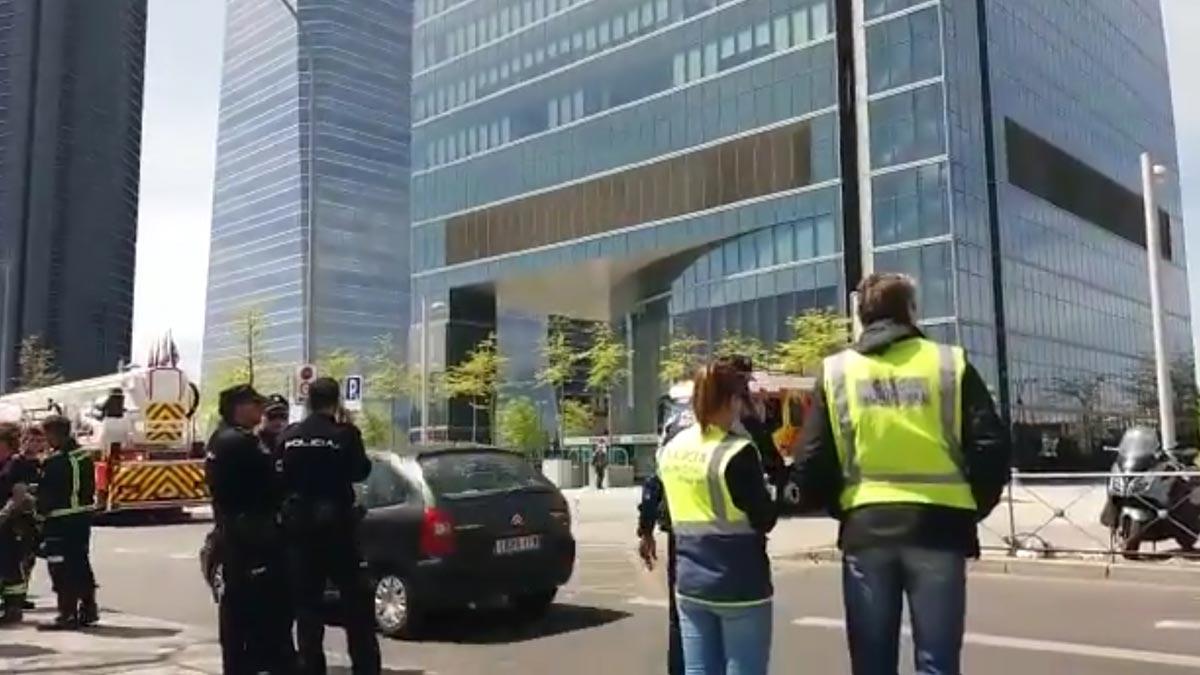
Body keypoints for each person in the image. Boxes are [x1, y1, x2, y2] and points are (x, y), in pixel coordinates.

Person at [792, 272, 1011, 675]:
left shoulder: (837, 371)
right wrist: (971, 508)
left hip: (867, 528)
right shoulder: (949, 363)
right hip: (940, 528)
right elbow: (991, 446)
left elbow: (811, 459)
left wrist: (840, 508)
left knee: (872, 663)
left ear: (861, 316)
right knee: (938, 662)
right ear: (911, 311)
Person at [657, 360, 777, 675]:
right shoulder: (737, 451)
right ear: (731, 401)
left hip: (690, 581)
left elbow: (667, 508)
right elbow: (765, 517)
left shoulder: (673, 447)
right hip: (739, 583)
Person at [279, 377, 379, 675]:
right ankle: (364, 667)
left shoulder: (290, 436)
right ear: (336, 401)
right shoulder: (344, 434)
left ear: (308, 400)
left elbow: (279, 478)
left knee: (307, 608)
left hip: (300, 533)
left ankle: (311, 667)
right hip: (338, 531)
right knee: (356, 607)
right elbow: (361, 471)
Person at [205, 384, 295, 674]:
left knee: (236, 612)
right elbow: (274, 483)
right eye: (256, 405)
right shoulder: (241, 443)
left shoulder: (221, 439)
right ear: (240, 408)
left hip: (234, 535)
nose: (261, 411)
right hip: (253, 539)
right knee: (261, 610)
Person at [36, 416, 98, 630]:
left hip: (60, 521)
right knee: (80, 563)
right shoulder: (84, 457)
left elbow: (47, 496)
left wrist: (38, 515)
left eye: (47, 436)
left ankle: (66, 613)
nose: (46, 441)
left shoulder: (55, 462)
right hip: (82, 519)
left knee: (60, 567)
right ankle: (89, 608)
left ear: (54, 434)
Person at [0, 423, 37, 623]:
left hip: (11, 523)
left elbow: (18, 494)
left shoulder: (16, 464)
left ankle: (14, 607)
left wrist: (3, 514)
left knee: (10, 564)